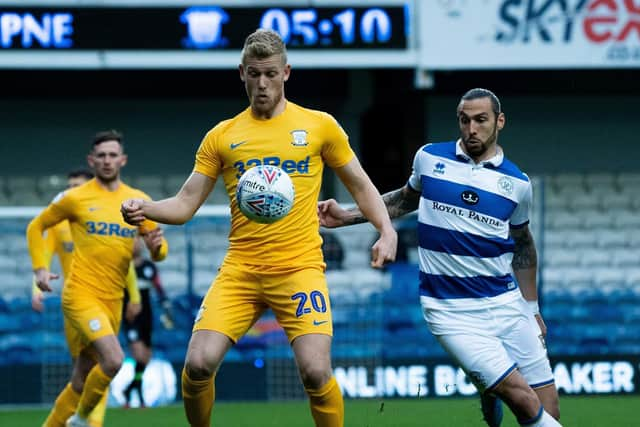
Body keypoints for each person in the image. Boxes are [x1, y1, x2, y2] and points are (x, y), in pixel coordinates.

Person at [120, 29, 397, 427]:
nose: (262, 83)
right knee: (197, 365)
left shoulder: (319, 126)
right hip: (242, 271)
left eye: (270, 74)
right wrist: (144, 207)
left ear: (286, 72)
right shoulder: (223, 136)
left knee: (316, 373)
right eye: (254, 74)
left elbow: (361, 184)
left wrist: (386, 230)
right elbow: (184, 205)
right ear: (241, 73)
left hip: (300, 270)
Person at [318, 88, 562, 427]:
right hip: (451, 310)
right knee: (523, 399)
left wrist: (531, 308)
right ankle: (493, 387)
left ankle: (489, 389)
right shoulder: (430, 158)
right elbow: (403, 201)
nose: (471, 129)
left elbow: (523, 245)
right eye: (465, 121)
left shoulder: (518, 184)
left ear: (499, 122)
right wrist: (347, 217)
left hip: (506, 303)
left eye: (481, 120)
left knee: (548, 409)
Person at [27, 130, 169, 427]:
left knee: (81, 377)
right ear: (91, 160)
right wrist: (40, 268)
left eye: (112, 155)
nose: (107, 161)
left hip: (112, 301)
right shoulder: (76, 198)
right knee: (114, 360)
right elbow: (37, 226)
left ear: (123, 159)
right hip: (80, 294)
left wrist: (157, 249)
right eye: (101, 155)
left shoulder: (137, 202)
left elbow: (159, 252)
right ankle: (81, 421)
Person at [31, 168, 142, 427]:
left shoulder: (102, 220)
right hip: (78, 302)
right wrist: (36, 289)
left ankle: (88, 422)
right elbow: (43, 258)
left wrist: (134, 297)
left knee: (91, 370)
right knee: (91, 367)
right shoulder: (60, 227)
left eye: (77, 186)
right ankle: (85, 421)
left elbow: (123, 263)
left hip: (106, 300)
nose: (71, 190)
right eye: (69, 186)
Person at [122, 236, 174, 408]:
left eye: (138, 240)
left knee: (145, 358)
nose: (135, 243)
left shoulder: (149, 267)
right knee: (138, 355)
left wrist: (166, 309)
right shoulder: (123, 267)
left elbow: (159, 289)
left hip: (147, 316)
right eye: (132, 240)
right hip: (130, 317)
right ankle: (138, 393)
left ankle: (130, 390)